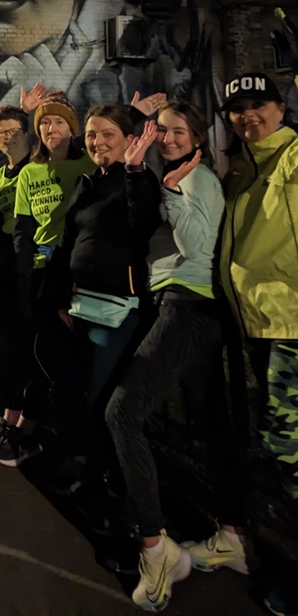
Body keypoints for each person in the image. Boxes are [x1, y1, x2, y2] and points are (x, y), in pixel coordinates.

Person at [104, 101, 248, 611]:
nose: (168, 137)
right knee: (211, 422)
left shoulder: (197, 178)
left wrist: (170, 192)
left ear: (199, 139)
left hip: (188, 306)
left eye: (178, 131)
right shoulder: (179, 174)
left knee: (122, 414)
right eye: (162, 129)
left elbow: (195, 245)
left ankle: (155, 546)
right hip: (189, 308)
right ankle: (231, 536)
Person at [0, 92, 95, 466]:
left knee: (54, 357)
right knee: (27, 349)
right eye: (45, 123)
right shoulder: (28, 171)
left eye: (58, 122)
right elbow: (23, 231)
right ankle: (17, 426)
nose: (50, 128)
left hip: (73, 272)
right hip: (34, 271)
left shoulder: (85, 165)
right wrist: (24, 278)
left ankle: (45, 436)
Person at [217, 72, 298, 613]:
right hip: (259, 325)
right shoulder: (246, 167)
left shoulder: (291, 159)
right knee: (276, 454)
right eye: (238, 107)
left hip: (291, 327)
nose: (250, 114)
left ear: (281, 106)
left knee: (288, 457)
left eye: (260, 104)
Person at [53, 106, 162, 492]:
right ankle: (87, 464)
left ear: (129, 139)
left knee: (101, 397)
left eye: (108, 135)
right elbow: (69, 242)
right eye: (92, 136)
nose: (98, 142)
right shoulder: (88, 182)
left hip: (117, 309)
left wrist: (134, 170)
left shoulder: (139, 179)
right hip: (81, 305)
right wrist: (59, 298)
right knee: (81, 389)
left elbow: (142, 225)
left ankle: (107, 481)